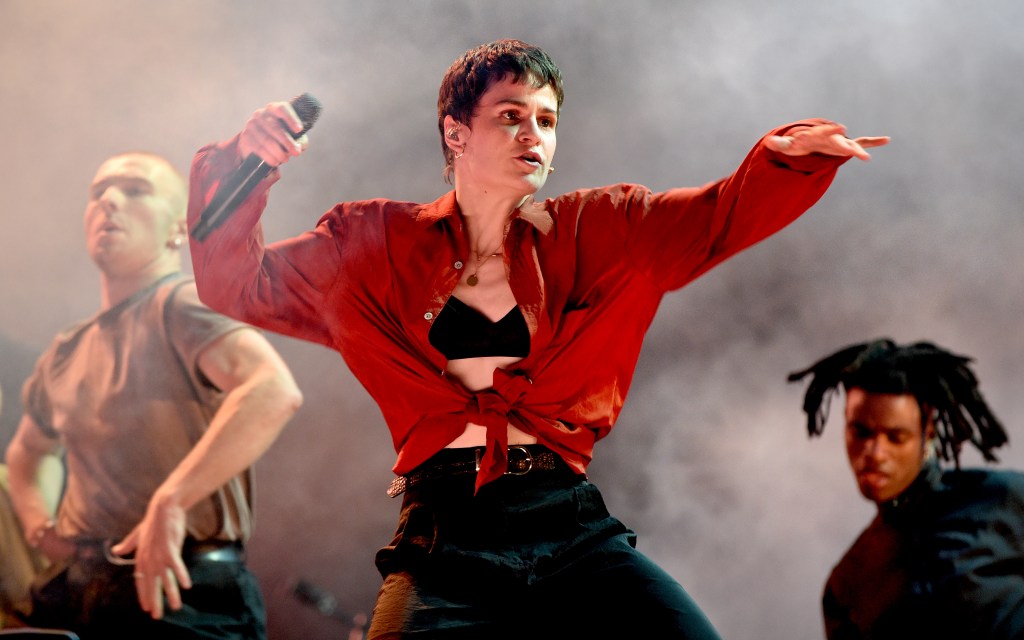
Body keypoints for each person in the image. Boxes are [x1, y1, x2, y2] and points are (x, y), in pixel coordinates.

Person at [187, 39, 888, 639]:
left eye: (547, 120)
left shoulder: (606, 228)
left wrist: (786, 155)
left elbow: (718, 215)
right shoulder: (368, 242)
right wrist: (245, 162)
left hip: (570, 532)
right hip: (443, 540)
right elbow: (235, 284)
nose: (534, 135)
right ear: (456, 132)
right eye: (511, 115)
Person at [3, 151, 303, 639]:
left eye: (135, 190)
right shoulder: (67, 349)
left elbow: (272, 390)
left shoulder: (180, 303)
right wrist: (40, 526)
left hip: (182, 593)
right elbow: (28, 452)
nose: (109, 201)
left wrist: (172, 500)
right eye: (98, 192)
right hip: (83, 591)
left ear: (178, 229)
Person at [788, 338, 1024, 639]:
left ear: (927, 431)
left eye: (895, 437)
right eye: (860, 432)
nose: (875, 453)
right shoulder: (847, 585)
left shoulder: (1001, 499)